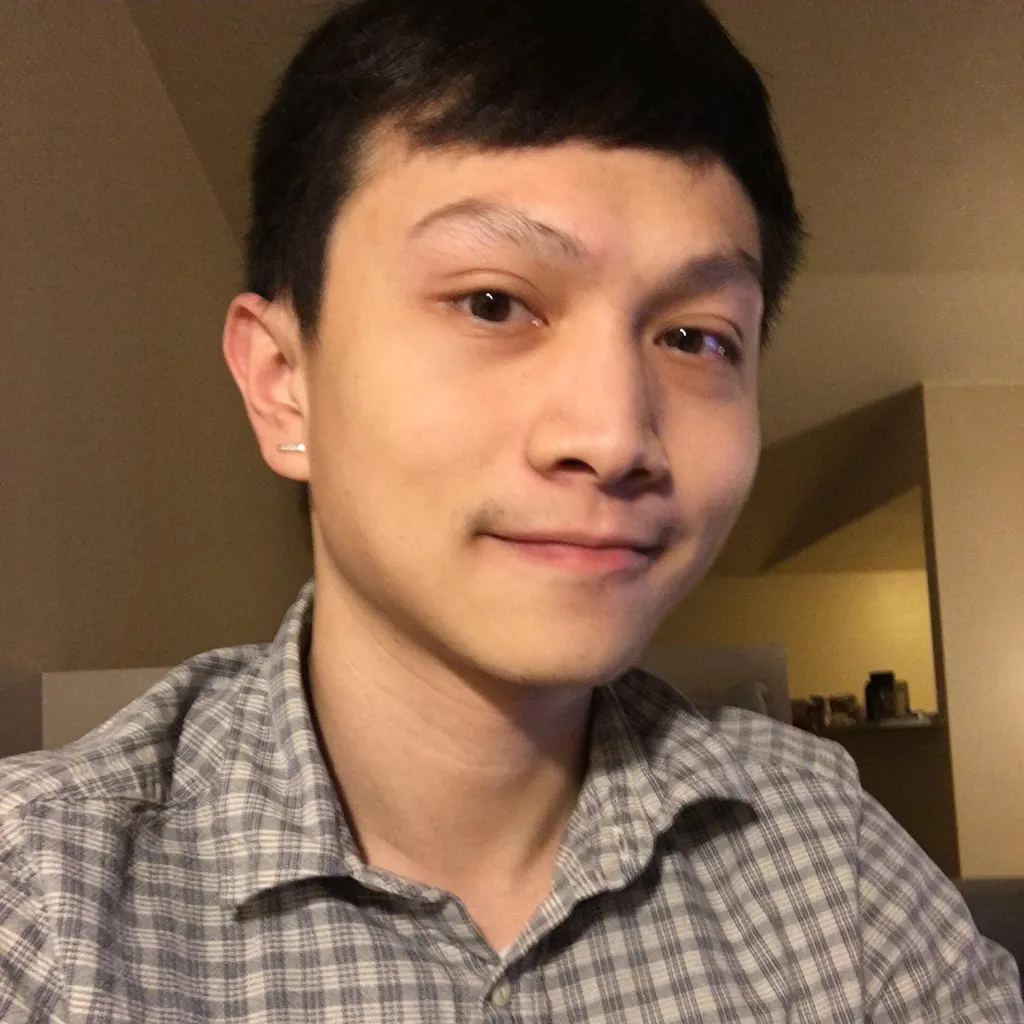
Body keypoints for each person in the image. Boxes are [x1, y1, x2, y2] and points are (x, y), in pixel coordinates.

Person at [1, 0, 1021, 1020]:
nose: (614, 436)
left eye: (696, 338)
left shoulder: (824, 857)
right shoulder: (44, 905)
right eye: (492, 302)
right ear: (282, 384)